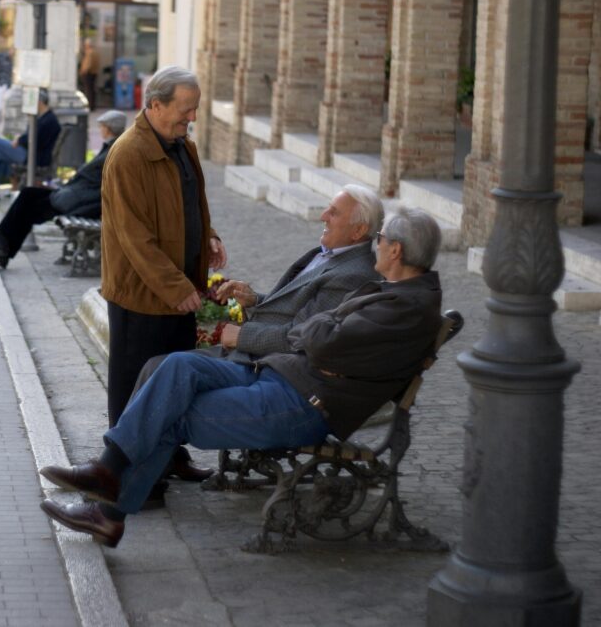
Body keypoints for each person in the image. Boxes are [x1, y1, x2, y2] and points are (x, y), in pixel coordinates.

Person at [38, 206, 445, 548]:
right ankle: (108, 470)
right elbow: (320, 333)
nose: (374, 243)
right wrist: (321, 328)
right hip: (280, 375)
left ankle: (108, 510)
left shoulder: (404, 307)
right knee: (179, 366)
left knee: (172, 412)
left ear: (395, 249)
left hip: (302, 404)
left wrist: (321, 329)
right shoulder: (395, 292)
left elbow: (319, 338)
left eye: (379, 237)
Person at [100, 66, 226, 489]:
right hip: (143, 296)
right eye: (185, 110)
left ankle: (170, 456)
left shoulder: (180, 146)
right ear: (155, 105)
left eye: (194, 110)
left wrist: (208, 236)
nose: (190, 118)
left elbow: (190, 204)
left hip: (177, 291)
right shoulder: (129, 154)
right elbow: (134, 237)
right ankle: (129, 476)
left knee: (172, 386)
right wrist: (176, 289)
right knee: (136, 389)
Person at [132, 185, 384, 392]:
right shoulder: (328, 254)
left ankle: (125, 453)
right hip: (251, 356)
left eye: (334, 213)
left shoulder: (353, 275)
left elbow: (304, 335)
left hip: (266, 368)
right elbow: (294, 310)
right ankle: (141, 452)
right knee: (156, 367)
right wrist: (254, 300)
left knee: (165, 368)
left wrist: (242, 336)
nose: (323, 216)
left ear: (359, 230)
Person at [0, 110, 127, 268]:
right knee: (28, 194)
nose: (100, 129)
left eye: (101, 126)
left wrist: (65, 186)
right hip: (74, 195)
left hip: (80, 202)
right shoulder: (111, 148)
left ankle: (2, 247)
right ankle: (1, 244)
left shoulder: (112, 151)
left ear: (108, 129)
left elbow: (88, 178)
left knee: (29, 205)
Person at [0, 89, 61, 202]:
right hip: (29, 152)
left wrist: (19, 140)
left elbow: (36, 141)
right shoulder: (42, 118)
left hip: (34, 157)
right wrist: (20, 138)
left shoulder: (49, 120)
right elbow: (31, 137)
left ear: (40, 102)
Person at [79, 38, 101, 111]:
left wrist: (83, 71)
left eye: (86, 45)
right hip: (94, 73)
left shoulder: (89, 52)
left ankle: (89, 105)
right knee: (92, 90)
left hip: (88, 73)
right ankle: (92, 105)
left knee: (88, 90)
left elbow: (88, 64)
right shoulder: (95, 52)